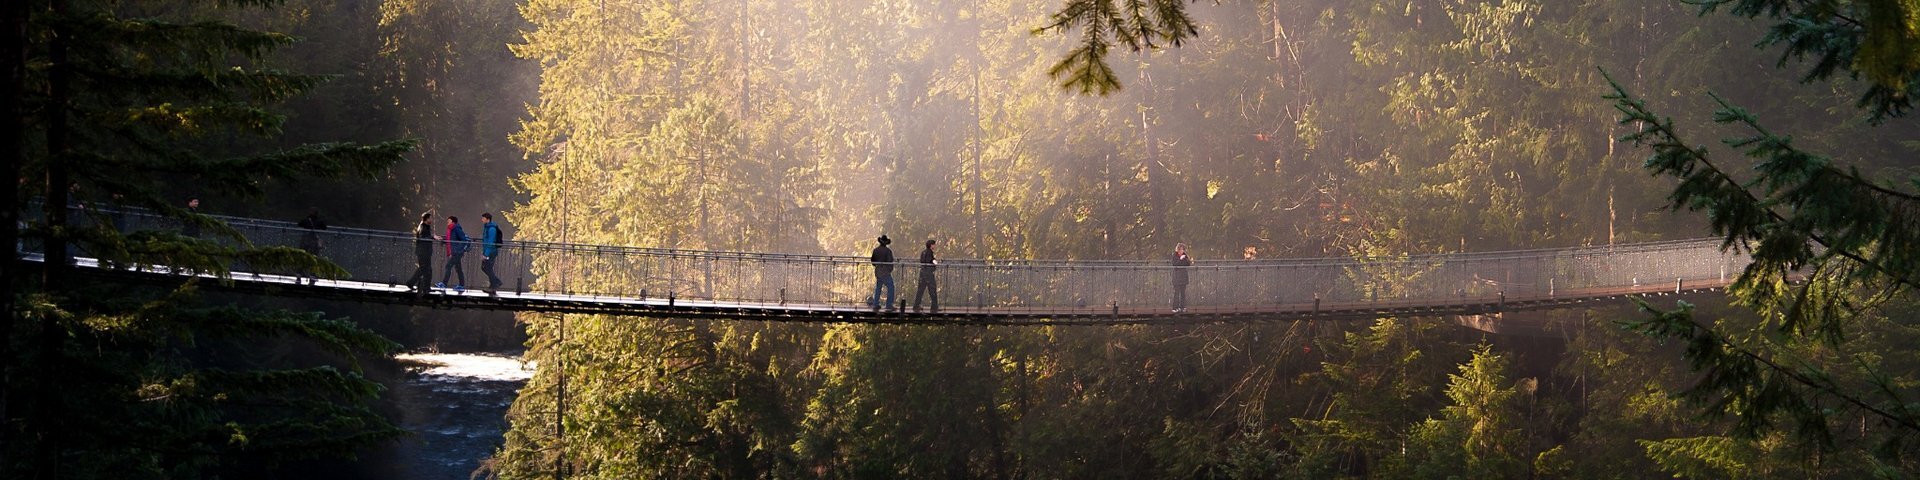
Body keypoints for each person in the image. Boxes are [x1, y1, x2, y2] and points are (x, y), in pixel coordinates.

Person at [404, 212, 435, 295]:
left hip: (425, 251)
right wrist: (432, 237)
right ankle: (421, 286)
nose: (432, 220)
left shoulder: (425, 226)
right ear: (427, 219)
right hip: (423, 251)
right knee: (425, 268)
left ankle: (423, 286)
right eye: (430, 218)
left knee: (425, 269)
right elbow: (422, 237)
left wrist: (433, 237)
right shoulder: (422, 226)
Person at [438, 216, 470, 292]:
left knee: (448, 266)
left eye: (449, 220)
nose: (447, 222)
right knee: (458, 269)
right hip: (455, 252)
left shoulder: (456, 229)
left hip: (457, 252)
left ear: (453, 222)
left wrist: (458, 250)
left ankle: (444, 283)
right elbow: (451, 239)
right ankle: (461, 285)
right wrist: (443, 239)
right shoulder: (451, 229)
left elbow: (463, 240)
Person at [297, 208, 328, 285]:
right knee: (314, 259)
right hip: (314, 242)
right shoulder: (319, 221)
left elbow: (299, 224)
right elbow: (324, 228)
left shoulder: (305, 220)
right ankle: (312, 275)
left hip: (304, 242)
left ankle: (299, 275)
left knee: (302, 258)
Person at [869, 235, 895, 312]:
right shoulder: (888, 251)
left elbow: (873, 262)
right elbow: (890, 262)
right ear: (886, 243)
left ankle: (875, 304)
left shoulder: (875, 250)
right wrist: (889, 270)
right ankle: (889, 304)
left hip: (878, 271)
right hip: (885, 272)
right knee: (891, 287)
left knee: (878, 287)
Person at [480, 212, 504, 293]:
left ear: (488, 219)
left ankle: (495, 284)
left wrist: (486, 254)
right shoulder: (487, 228)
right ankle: (494, 285)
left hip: (491, 252)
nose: (482, 220)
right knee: (486, 267)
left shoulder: (491, 229)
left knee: (486, 267)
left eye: (483, 218)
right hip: (489, 251)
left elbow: (490, 242)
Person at [913, 239, 939, 313]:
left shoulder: (923, 252)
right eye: (934, 244)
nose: (935, 246)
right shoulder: (929, 252)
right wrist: (935, 263)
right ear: (931, 245)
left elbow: (922, 261)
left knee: (920, 290)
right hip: (929, 274)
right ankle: (934, 307)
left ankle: (916, 305)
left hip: (922, 273)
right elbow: (931, 260)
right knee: (932, 290)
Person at [1171, 243, 1192, 313]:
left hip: (1183, 277)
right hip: (1177, 277)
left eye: (1183, 249)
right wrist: (1180, 259)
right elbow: (1175, 264)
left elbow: (1188, 264)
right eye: (1180, 249)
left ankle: (1182, 307)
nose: (1181, 251)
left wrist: (1186, 259)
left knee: (1183, 293)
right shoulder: (1175, 256)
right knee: (1176, 293)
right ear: (1178, 249)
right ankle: (1175, 308)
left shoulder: (1185, 255)